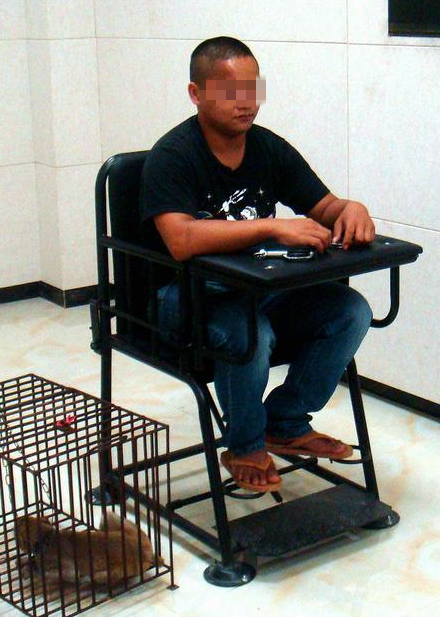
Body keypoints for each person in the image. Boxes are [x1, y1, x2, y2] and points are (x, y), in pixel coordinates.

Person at [139, 36, 377, 493]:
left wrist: (352, 210)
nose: (245, 103)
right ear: (196, 94)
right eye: (230, 91)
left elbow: (326, 205)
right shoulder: (172, 156)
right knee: (251, 332)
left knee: (351, 310)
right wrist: (271, 227)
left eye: (252, 89)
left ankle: (285, 421)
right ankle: (244, 444)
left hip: (257, 289)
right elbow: (181, 240)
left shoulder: (268, 148)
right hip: (186, 296)